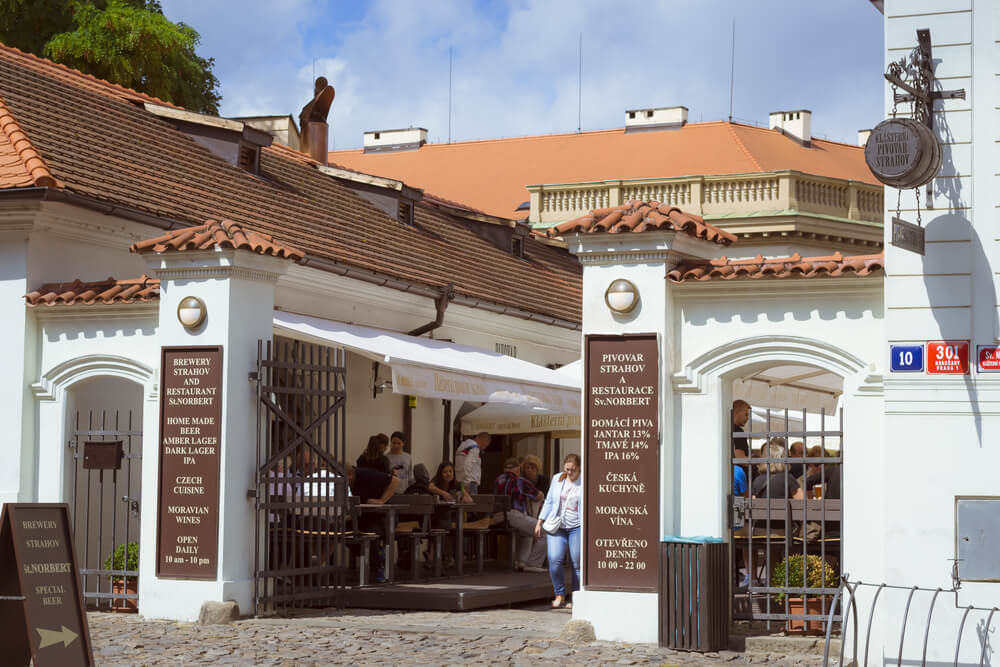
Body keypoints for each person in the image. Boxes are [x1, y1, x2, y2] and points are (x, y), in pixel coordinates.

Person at [534, 454, 581, 609]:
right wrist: (540, 521)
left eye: (573, 470)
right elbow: (549, 501)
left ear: (579, 468)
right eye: (567, 469)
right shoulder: (557, 478)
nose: (569, 473)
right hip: (557, 525)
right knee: (554, 560)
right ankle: (559, 594)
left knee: (577, 562)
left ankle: (576, 596)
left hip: (577, 526)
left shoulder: (585, 480)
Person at [347, 463, 399, 583]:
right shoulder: (348, 484)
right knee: (345, 532)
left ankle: (379, 565)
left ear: (350, 476)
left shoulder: (367, 474)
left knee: (370, 534)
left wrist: (382, 501)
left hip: (384, 516)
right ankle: (376, 557)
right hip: (366, 517)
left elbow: (395, 480)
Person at [494, 457, 546, 571]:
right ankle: (533, 564)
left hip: (497, 518)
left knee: (527, 532)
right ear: (518, 469)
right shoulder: (520, 481)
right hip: (512, 515)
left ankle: (521, 562)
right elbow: (539, 495)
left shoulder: (498, 479)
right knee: (546, 531)